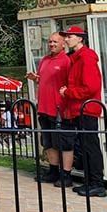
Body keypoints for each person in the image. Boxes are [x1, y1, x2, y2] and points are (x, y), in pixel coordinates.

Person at [59, 26, 107, 197]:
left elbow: (90, 86)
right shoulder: (76, 58)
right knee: (84, 145)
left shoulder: (86, 57)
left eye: (69, 36)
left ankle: (97, 182)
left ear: (80, 38)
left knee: (90, 145)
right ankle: (90, 181)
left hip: (87, 107)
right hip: (79, 108)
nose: (66, 39)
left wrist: (68, 92)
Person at [26, 32, 70, 183]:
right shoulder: (44, 59)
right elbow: (43, 79)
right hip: (43, 107)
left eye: (55, 42)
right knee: (48, 141)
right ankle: (53, 170)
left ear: (63, 43)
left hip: (58, 108)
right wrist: (35, 78)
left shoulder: (66, 61)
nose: (51, 44)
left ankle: (66, 174)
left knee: (61, 142)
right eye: (50, 42)